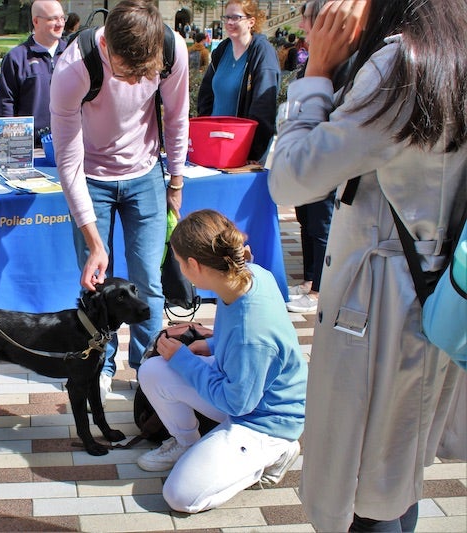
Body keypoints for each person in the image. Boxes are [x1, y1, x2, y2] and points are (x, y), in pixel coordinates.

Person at [268, 0, 467, 531]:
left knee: (363, 486)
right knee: (397, 475)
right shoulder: (451, 43)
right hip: (432, 292)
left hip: (380, 306)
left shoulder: (400, 63)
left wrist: (315, 74)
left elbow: (291, 178)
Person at [50, 0, 189, 403]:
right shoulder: (74, 68)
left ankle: (151, 368)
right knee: (98, 284)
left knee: (148, 279)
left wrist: (175, 183)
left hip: (146, 174)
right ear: (107, 45)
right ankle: (100, 364)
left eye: (144, 74)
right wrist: (95, 242)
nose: (135, 84)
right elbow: (68, 163)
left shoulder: (172, 49)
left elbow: (178, 117)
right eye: (129, 74)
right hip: (90, 176)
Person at [135, 209, 307, 512]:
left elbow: (237, 404)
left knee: (180, 496)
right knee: (152, 370)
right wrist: (207, 344)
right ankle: (188, 444)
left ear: (193, 265)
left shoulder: (252, 334)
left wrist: (184, 360)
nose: (177, 267)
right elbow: (241, 344)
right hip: (243, 389)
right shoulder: (249, 277)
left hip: (264, 420)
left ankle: (275, 454)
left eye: (177, 262)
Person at [283, 0, 335, 315]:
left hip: (323, 161)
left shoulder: (338, 62)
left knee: (321, 225)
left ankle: (319, 290)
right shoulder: (310, 58)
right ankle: (309, 279)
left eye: (307, 19)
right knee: (305, 220)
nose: (302, 26)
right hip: (304, 156)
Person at [196, 0, 280, 164]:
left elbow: (264, 107)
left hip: (243, 150)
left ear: (251, 21)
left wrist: (253, 153)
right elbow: (206, 96)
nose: (229, 22)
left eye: (235, 17)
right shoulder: (222, 50)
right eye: (226, 17)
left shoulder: (262, 52)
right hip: (214, 143)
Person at [0, 0, 66, 139]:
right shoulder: (16, 58)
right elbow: (7, 104)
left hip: (69, 143)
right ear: (36, 21)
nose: (60, 24)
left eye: (62, 18)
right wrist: (13, 145)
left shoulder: (73, 53)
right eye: (53, 19)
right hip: (30, 146)